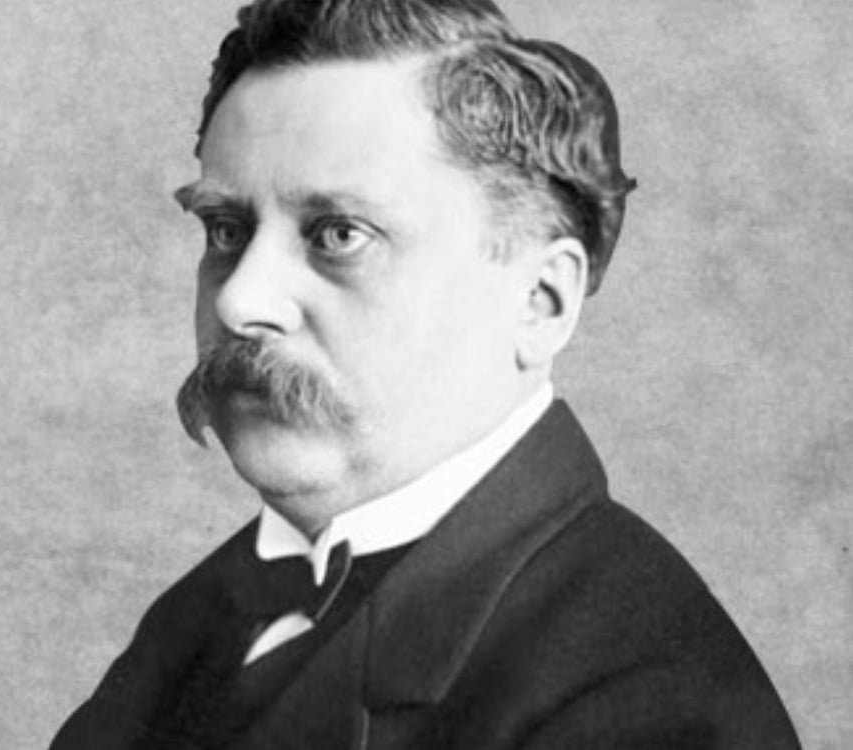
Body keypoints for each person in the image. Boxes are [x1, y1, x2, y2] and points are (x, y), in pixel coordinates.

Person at [50, 1, 801, 748]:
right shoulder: (198, 623)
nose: (241, 301)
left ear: (540, 302)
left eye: (339, 234)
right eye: (225, 230)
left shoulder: (644, 707)